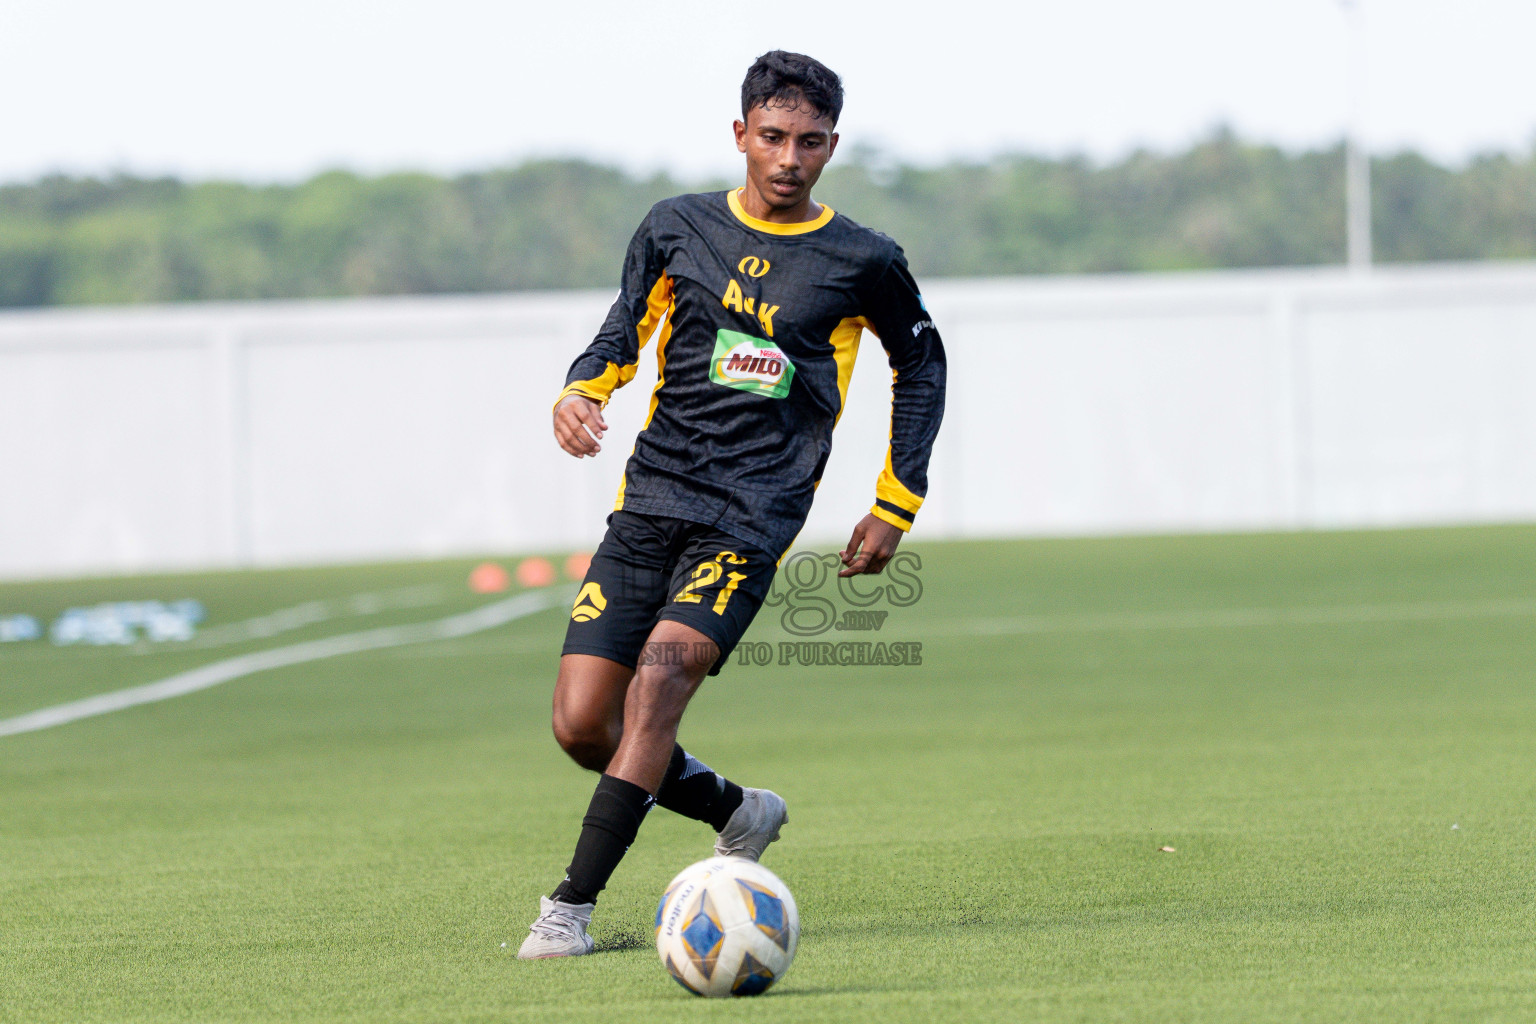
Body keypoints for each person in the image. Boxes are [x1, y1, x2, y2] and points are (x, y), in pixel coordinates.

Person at [518, 49, 946, 958]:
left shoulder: (864, 258)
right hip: (651, 503)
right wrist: (582, 389)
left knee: (660, 683)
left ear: (833, 145)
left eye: (810, 142)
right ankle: (738, 810)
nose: (790, 159)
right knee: (583, 724)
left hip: (751, 518)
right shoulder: (676, 226)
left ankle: (568, 909)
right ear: (742, 133)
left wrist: (895, 501)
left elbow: (922, 364)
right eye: (774, 137)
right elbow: (625, 323)